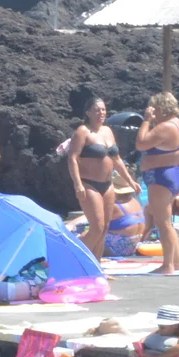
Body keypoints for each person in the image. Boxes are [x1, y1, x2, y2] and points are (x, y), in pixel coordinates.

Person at [63, 97, 129, 248]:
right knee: (97, 228)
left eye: (104, 109)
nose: (101, 113)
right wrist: (77, 184)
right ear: (88, 113)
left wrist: (130, 181)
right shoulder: (82, 132)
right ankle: (70, 256)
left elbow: (116, 159)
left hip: (107, 184)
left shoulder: (108, 131)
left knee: (105, 228)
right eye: (97, 110)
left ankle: (96, 267)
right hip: (89, 184)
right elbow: (72, 158)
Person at [135, 91, 179, 275]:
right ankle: (177, 261)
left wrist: (146, 121)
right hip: (173, 175)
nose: (153, 112)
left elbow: (141, 144)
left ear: (160, 108)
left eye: (155, 109)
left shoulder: (164, 127)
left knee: (162, 222)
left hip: (161, 177)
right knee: (166, 222)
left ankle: (168, 265)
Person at [102, 178, 147, 258]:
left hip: (118, 249)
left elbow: (96, 221)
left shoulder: (114, 207)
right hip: (135, 245)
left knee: (86, 236)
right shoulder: (135, 201)